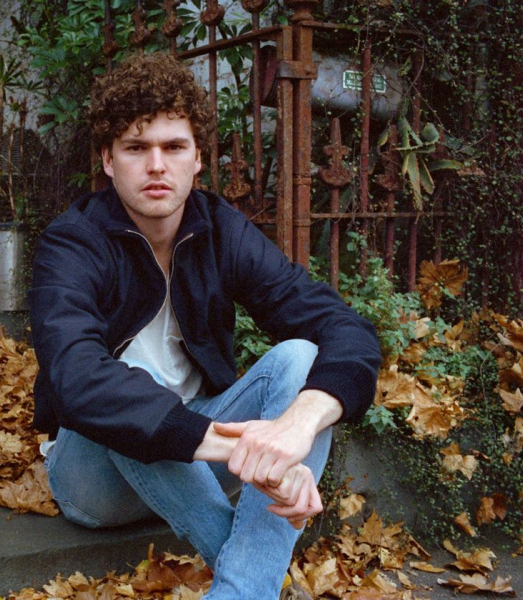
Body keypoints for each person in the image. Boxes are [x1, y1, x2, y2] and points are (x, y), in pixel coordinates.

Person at [28, 52, 381, 599]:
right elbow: (76, 377)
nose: (156, 165)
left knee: (299, 357)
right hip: (96, 481)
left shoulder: (220, 229)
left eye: (174, 147)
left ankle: (241, 592)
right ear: (108, 160)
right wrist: (245, 453)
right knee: (124, 389)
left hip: (200, 453)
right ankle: (253, 580)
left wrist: (294, 432)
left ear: (197, 159)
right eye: (136, 148)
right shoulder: (72, 243)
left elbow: (341, 326)